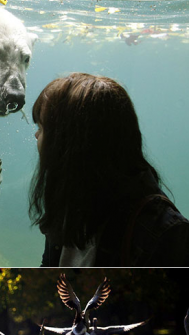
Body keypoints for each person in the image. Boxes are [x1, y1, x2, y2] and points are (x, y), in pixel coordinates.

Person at [29, 73, 189, 266]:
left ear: (73, 142)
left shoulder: (165, 234)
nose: (37, 136)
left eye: (43, 127)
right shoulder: (73, 205)